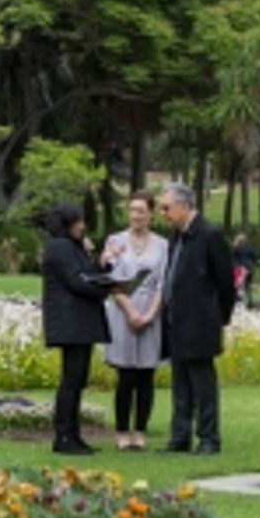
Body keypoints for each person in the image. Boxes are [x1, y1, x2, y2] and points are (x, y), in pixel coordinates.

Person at [40, 203, 126, 455]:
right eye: (78, 221)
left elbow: (88, 275)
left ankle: (73, 434)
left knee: (77, 379)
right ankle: (64, 435)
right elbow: (77, 282)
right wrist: (109, 289)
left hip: (78, 321)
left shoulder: (72, 247)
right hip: (71, 322)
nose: (82, 226)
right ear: (67, 223)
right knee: (72, 380)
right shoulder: (60, 247)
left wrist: (105, 265)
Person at [157, 182, 236, 456]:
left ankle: (209, 438)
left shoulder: (209, 234)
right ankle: (180, 437)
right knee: (181, 383)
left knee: (203, 384)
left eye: (166, 208)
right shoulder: (176, 236)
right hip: (176, 319)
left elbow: (226, 282)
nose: (163, 213)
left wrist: (219, 317)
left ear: (183, 206)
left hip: (201, 320)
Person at [101, 191, 165, 450]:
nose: (136, 215)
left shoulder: (163, 245)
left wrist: (149, 314)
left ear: (150, 213)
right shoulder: (115, 241)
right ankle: (121, 430)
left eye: (141, 210)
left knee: (146, 376)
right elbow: (110, 280)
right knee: (126, 375)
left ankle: (140, 430)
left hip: (150, 311)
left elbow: (163, 283)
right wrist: (130, 311)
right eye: (132, 210)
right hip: (122, 310)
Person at [231, 231, 257, 309]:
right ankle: (250, 302)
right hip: (250, 268)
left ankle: (239, 301)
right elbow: (254, 258)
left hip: (240, 268)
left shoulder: (236, 248)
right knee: (248, 285)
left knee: (238, 285)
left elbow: (232, 259)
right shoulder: (250, 248)